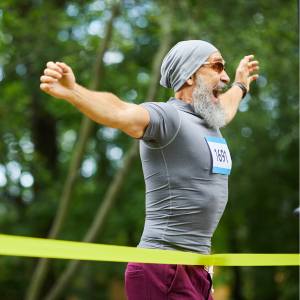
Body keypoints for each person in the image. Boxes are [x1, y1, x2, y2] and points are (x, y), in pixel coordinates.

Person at [40, 40, 259, 300]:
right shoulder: (168, 117)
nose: (224, 75)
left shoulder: (209, 120)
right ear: (189, 75)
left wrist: (241, 84)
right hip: (162, 268)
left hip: (197, 271)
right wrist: (73, 91)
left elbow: (228, 107)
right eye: (218, 66)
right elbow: (120, 112)